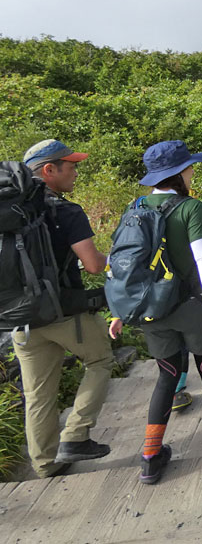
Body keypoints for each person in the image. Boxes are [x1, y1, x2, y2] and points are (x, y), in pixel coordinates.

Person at [109, 140, 202, 484]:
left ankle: (150, 456)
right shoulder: (190, 208)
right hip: (190, 306)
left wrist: (119, 310)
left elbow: (122, 263)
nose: (193, 171)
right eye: (189, 167)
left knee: (167, 377)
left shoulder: (135, 207)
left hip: (151, 308)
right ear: (179, 173)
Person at [14, 139, 114, 478]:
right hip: (63, 312)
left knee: (38, 394)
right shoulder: (65, 211)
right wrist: (114, 258)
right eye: (70, 165)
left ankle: (44, 463)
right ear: (49, 170)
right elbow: (94, 265)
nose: (75, 170)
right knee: (100, 360)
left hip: (18, 320)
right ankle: (75, 435)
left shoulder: (10, 213)